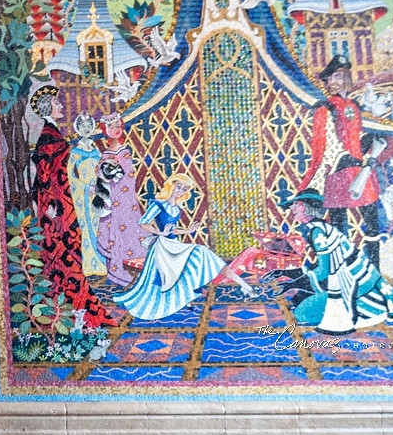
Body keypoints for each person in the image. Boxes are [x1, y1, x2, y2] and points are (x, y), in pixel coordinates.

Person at [28, 85, 114, 329]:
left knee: (70, 247)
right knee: (63, 249)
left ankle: (72, 306)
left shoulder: (54, 134)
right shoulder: (48, 137)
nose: (61, 106)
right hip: (57, 206)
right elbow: (45, 176)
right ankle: (69, 305)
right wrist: (50, 205)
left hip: (64, 200)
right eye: (57, 103)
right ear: (47, 107)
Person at [114, 173, 254, 321]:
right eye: (178, 186)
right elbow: (143, 222)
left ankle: (243, 285)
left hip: (174, 244)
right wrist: (160, 232)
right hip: (162, 246)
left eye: (184, 188)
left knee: (204, 253)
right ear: (171, 184)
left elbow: (173, 229)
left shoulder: (176, 208)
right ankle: (243, 286)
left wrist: (188, 231)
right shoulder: (158, 204)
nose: (180, 190)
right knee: (181, 265)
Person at [282, 188, 393, 334]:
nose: (292, 208)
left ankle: (361, 312)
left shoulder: (318, 232)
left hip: (355, 286)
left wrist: (293, 283)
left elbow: (323, 271)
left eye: (297, 204)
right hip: (354, 281)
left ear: (307, 208)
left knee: (302, 313)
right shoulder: (322, 228)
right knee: (298, 299)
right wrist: (287, 275)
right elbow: (323, 265)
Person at [300, 54, 388, 267]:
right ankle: (341, 269)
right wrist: (349, 160)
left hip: (360, 170)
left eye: (344, 75)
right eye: (337, 75)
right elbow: (324, 144)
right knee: (339, 225)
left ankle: (375, 268)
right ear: (328, 81)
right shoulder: (325, 108)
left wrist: (370, 143)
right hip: (339, 172)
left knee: (372, 221)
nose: (342, 79)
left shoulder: (354, 106)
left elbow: (355, 137)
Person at [94, 112, 148, 287]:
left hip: (126, 199)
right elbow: (101, 177)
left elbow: (129, 176)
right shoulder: (106, 154)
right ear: (105, 130)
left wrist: (117, 174)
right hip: (112, 199)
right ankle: (118, 272)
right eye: (111, 127)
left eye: (118, 126)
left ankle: (134, 271)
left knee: (129, 230)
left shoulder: (124, 151)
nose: (115, 130)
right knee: (114, 231)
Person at [67, 113, 106, 278]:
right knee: (86, 227)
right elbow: (70, 174)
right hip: (83, 194)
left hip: (97, 192)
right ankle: (89, 265)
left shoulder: (95, 148)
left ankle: (101, 263)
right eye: (83, 127)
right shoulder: (76, 150)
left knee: (99, 226)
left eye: (89, 126)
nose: (87, 129)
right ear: (78, 129)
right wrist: (84, 187)